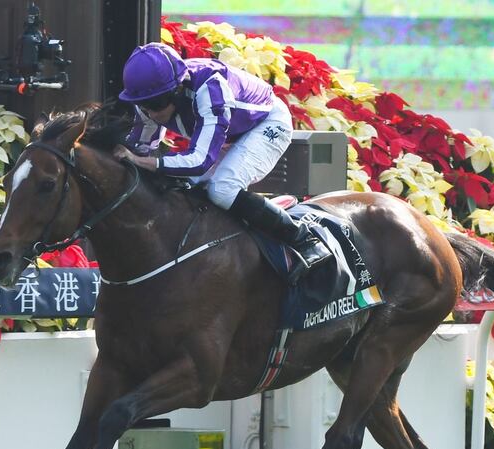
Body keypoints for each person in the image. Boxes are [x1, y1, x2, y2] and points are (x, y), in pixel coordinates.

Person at [113, 42, 331, 284]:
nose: (150, 113)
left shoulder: (210, 88)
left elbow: (200, 161)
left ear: (177, 89)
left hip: (267, 124)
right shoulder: (152, 97)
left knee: (222, 189)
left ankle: (303, 239)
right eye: (143, 104)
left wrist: (147, 163)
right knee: (178, 186)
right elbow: (139, 149)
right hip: (228, 135)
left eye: (156, 105)